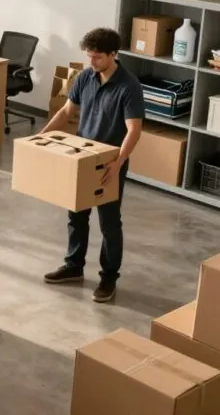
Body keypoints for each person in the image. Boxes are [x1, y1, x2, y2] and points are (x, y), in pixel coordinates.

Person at [40, 27, 144, 303]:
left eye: (97, 57)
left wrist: (119, 163)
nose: (91, 62)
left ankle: (109, 277)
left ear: (113, 54)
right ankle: (74, 266)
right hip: (82, 157)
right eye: (89, 56)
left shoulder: (128, 86)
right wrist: (39, 138)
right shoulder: (86, 77)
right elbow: (66, 111)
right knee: (76, 216)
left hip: (109, 161)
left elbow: (134, 129)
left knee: (109, 223)